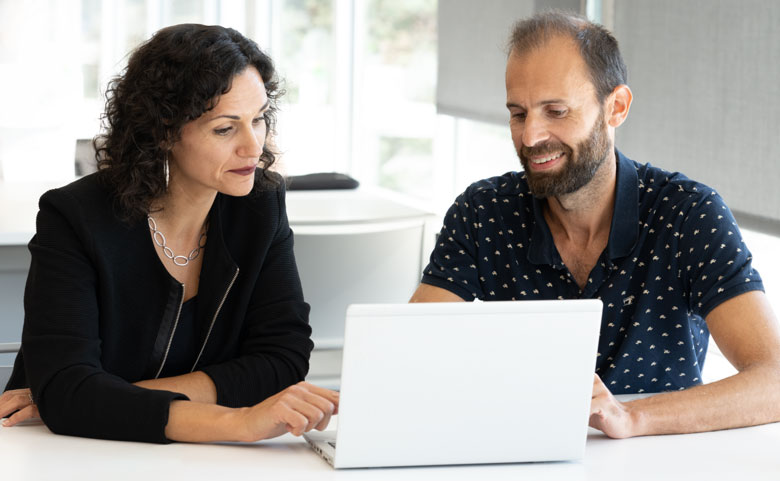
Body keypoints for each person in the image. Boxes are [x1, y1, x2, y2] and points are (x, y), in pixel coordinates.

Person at [410, 11, 780, 438]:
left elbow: (773, 379)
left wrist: (632, 417)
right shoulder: (483, 212)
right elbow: (408, 358)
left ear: (616, 107)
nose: (531, 137)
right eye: (518, 114)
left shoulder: (688, 215)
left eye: (556, 110)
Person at [0, 24, 338, 443]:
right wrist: (236, 422)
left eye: (259, 119)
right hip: (69, 451)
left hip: (188, 456)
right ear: (163, 131)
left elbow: (283, 359)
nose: (253, 146)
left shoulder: (260, 205)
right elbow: (70, 391)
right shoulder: (75, 216)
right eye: (225, 128)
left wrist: (104, 402)